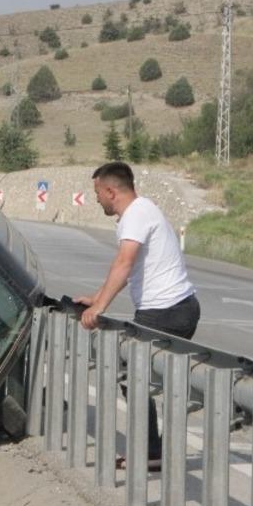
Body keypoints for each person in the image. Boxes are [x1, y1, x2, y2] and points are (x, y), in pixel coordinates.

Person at [75, 161, 199, 471]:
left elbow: (124, 263)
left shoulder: (135, 215)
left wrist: (99, 307)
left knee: (133, 374)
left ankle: (151, 452)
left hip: (168, 311)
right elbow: (132, 270)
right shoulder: (140, 211)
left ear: (111, 191)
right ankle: (152, 449)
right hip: (172, 309)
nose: (96, 199)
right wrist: (96, 297)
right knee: (137, 376)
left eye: (97, 193)